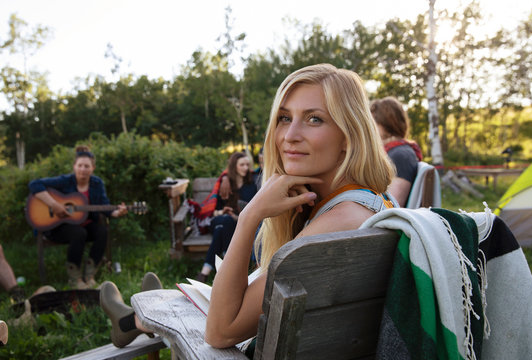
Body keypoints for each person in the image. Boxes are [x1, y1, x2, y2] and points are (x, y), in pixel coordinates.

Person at [100, 63, 397, 352]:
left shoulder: (335, 225)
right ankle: (134, 318)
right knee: (197, 297)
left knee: (188, 306)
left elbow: (220, 332)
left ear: (349, 135)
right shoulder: (373, 202)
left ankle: (131, 319)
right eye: (284, 118)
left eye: (314, 119)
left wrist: (249, 215)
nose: (289, 136)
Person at [28, 145, 128, 289]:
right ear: (74, 166)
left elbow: (105, 206)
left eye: (86, 166)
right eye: (80, 165)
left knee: (102, 231)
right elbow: (34, 184)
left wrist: (118, 212)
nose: (83, 169)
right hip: (59, 227)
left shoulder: (97, 184)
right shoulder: (65, 181)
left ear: (92, 168)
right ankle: (75, 279)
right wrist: (54, 205)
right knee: (78, 233)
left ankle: (89, 275)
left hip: (85, 225)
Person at [196, 152, 258, 283]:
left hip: (237, 222)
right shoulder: (226, 183)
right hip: (220, 218)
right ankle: (225, 270)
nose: (246, 168)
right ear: (234, 166)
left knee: (221, 228)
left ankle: (204, 273)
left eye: (247, 164)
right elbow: (213, 212)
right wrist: (223, 212)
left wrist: (235, 217)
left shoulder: (251, 186)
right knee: (224, 221)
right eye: (242, 164)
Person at [370, 96, 423, 207]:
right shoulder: (396, 151)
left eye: (373, 123)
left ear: (386, 124)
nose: (370, 129)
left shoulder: (400, 155)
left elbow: (393, 206)